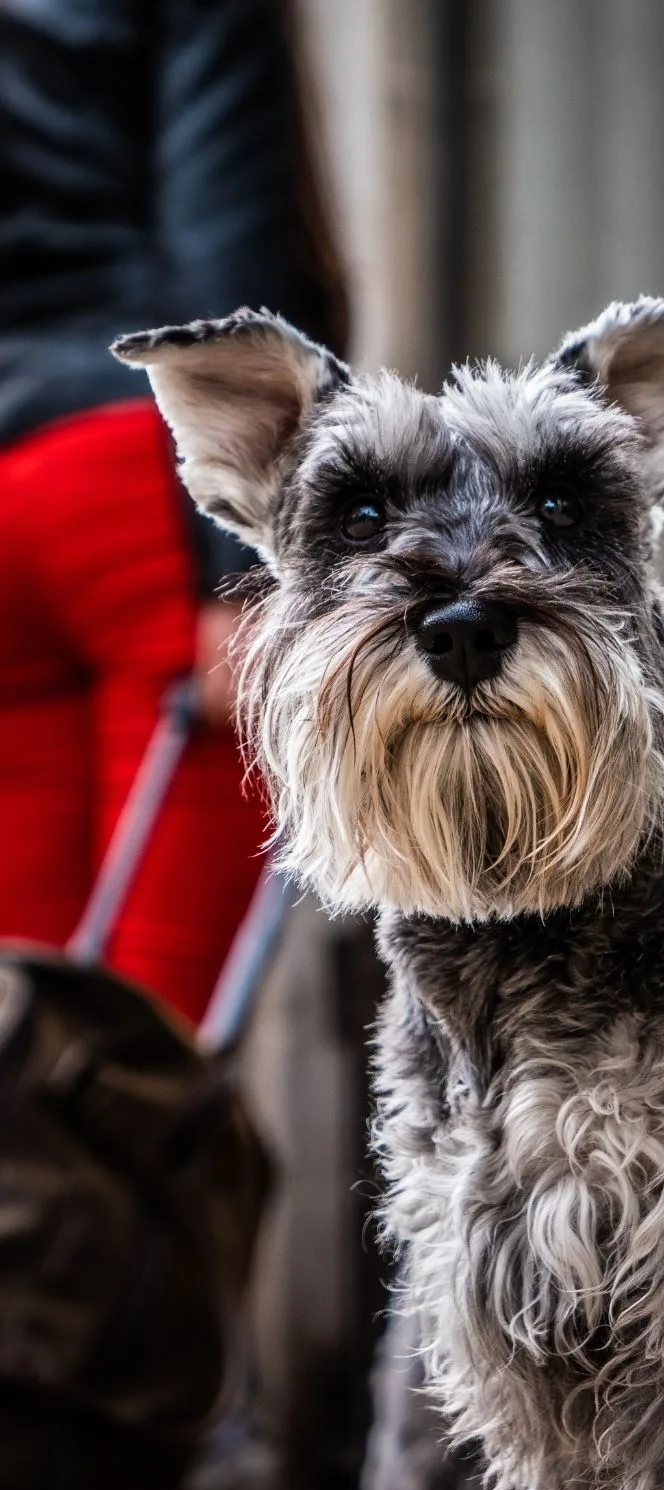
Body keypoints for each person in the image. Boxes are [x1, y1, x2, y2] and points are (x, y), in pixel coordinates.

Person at [0, 0, 348, 1026]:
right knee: (145, 1037)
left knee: (17, 1027)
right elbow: (224, 261)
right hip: (131, 489)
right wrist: (239, 568)